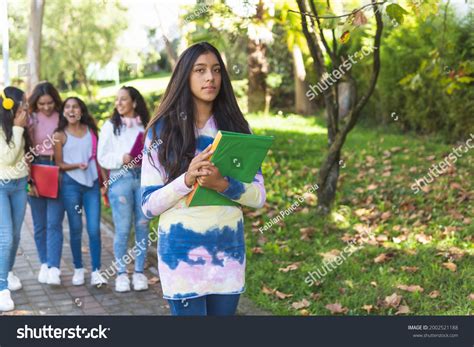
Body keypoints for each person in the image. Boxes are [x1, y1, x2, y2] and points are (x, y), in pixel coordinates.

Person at [141, 42, 266, 316]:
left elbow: (258, 197)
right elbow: (148, 205)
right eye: (200, 70)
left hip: (227, 255)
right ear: (185, 77)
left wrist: (223, 185)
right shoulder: (161, 132)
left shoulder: (238, 129)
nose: (210, 77)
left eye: (216, 70)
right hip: (181, 257)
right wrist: (186, 180)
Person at [98, 86, 150, 292]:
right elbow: (102, 157)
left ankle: (139, 273)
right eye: (116, 100)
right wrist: (123, 158)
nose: (118, 103)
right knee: (122, 228)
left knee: (143, 225)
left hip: (144, 178)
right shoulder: (110, 127)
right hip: (121, 178)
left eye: (123, 99)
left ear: (134, 103)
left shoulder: (145, 127)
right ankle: (121, 273)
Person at [54, 97, 108, 287]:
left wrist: (105, 181)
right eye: (67, 107)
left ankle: (96, 271)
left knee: (94, 229)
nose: (71, 110)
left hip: (92, 185)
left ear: (81, 111)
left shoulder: (91, 131)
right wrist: (77, 165)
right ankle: (78, 268)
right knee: (76, 228)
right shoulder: (59, 135)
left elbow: (99, 158)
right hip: (71, 186)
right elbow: (58, 164)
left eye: (75, 107)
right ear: (63, 112)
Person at [27, 82, 65, 285]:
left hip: (57, 169)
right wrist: (28, 179)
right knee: (39, 223)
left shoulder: (62, 117)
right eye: (42, 104)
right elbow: (25, 149)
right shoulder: (31, 119)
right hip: (36, 169)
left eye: (50, 103)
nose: (46, 107)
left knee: (54, 223)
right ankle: (44, 263)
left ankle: (55, 267)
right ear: (36, 103)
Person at [0, 87, 30, 311]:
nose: (27, 107)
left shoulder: (24, 124)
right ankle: (2, 289)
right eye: (24, 104)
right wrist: (19, 128)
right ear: (12, 106)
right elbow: (8, 157)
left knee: (17, 234)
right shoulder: (7, 127)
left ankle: (7, 272)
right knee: (6, 236)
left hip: (20, 185)